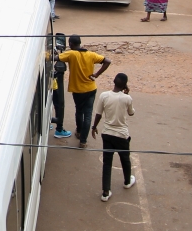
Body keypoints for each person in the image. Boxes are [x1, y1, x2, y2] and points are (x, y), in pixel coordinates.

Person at [58, 35, 111, 149]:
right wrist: (96, 74)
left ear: (71, 44)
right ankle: (83, 141)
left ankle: (79, 131)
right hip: (91, 88)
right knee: (88, 115)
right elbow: (107, 61)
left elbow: (55, 58)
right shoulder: (91, 55)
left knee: (79, 111)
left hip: (78, 90)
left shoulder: (71, 54)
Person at [92, 73, 136, 202]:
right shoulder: (127, 98)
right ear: (125, 85)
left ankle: (105, 191)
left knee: (107, 162)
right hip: (121, 134)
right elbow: (131, 113)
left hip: (107, 133)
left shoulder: (104, 95)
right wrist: (127, 94)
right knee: (125, 159)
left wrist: (94, 127)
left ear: (114, 82)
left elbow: (98, 113)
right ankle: (127, 181)